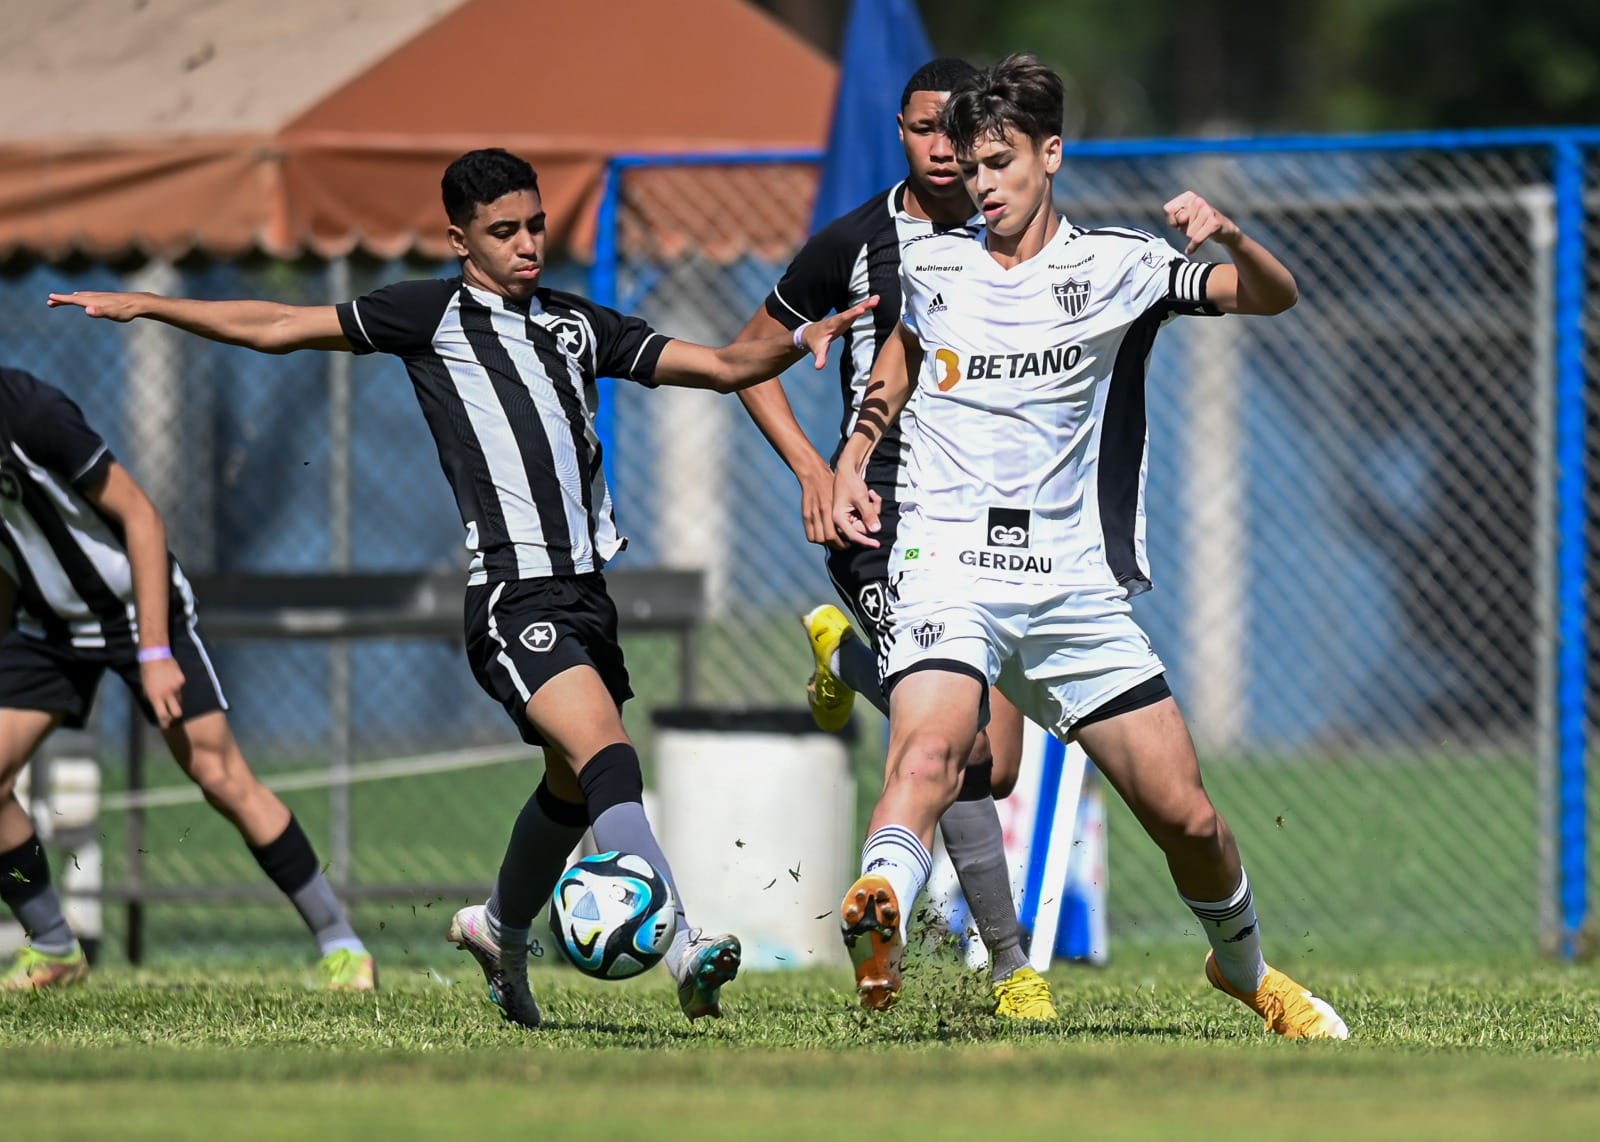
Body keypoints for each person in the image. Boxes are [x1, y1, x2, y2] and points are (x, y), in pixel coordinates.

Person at [49, 148, 873, 1029]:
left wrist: (793, 341)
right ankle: (681, 946)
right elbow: (281, 324)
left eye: (536, 227)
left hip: (587, 593)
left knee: (568, 788)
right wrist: (152, 306)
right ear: (460, 239)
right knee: (608, 757)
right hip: (513, 599)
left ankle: (498, 927)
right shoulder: (429, 315)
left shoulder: (573, 324)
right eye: (503, 232)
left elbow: (715, 366)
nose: (527, 246)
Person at [829, 55, 1349, 1039]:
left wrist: (1230, 231)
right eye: (968, 164)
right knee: (931, 748)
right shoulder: (931, 264)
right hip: (945, 562)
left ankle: (1245, 971)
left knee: (1186, 816)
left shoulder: (1120, 266)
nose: (979, 182)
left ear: (1050, 154)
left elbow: (1274, 296)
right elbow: (899, 348)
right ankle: (879, 910)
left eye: (998, 161)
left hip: (1070, 588)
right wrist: (858, 447)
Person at [732, 59, 1051, 1021]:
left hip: (991, 511)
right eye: (925, 129)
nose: (946, 148)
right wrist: (814, 469)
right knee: (945, 748)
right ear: (901, 132)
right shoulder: (856, 241)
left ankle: (848, 657)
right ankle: (1011, 969)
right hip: (884, 511)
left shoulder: (1013, 229)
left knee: (995, 762)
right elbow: (750, 361)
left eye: (960, 129)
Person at [0, 366, 374, 991]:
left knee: (218, 775)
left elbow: (142, 519)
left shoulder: (30, 411)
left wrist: (154, 655)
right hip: (49, 628)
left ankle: (343, 944)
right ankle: (55, 948)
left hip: (136, 614)